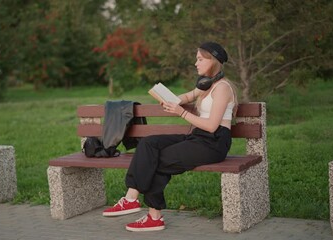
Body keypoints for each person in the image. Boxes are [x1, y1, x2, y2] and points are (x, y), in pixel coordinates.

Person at [102, 42, 238, 232]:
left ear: (213, 61)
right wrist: (169, 99)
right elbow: (188, 96)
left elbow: (212, 125)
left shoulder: (222, 88)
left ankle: (153, 216)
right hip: (198, 137)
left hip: (214, 142)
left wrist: (180, 112)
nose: (195, 62)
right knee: (150, 144)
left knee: (157, 160)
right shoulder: (206, 86)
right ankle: (131, 198)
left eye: (199, 59)